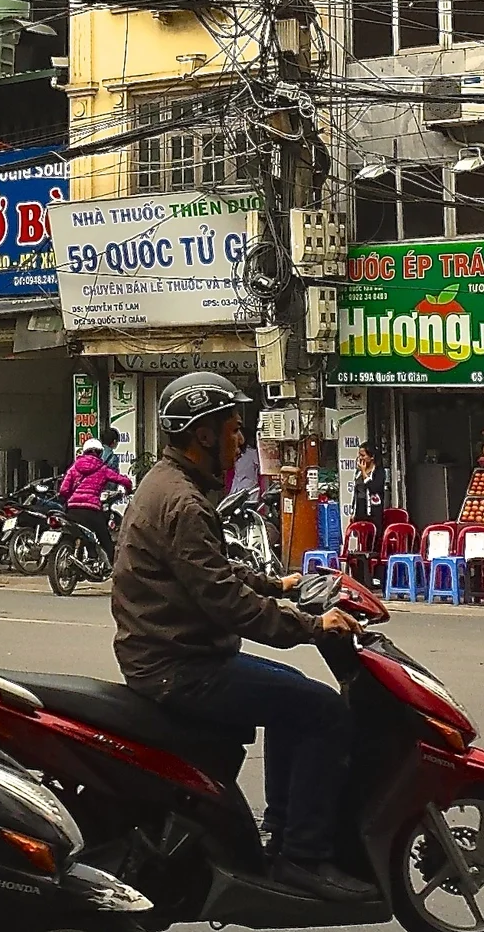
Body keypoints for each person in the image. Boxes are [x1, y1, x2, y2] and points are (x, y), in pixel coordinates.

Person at [111, 370, 371, 903]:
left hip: (171, 658)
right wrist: (311, 625)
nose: (241, 440)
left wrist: (277, 585)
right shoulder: (184, 502)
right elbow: (224, 600)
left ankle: (282, 827)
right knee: (323, 709)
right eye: (233, 429)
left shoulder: (169, 485)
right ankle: (304, 857)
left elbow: (211, 570)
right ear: (203, 435)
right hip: (183, 668)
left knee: (293, 698)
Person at [57, 436, 131, 554]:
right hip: (91, 510)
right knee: (105, 540)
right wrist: (128, 489)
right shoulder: (103, 469)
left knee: (77, 535)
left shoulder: (74, 467)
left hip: (72, 510)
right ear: (100, 453)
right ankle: (112, 563)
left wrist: (70, 500)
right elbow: (123, 480)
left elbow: (63, 490)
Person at [348, 442, 387, 526]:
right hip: (360, 509)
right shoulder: (358, 472)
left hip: (372, 511)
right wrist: (353, 511)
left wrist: (364, 472)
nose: (360, 458)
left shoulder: (379, 471)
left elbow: (374, 488)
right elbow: (356, 492)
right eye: (359, 455)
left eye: (363, 455)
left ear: (372, 456)